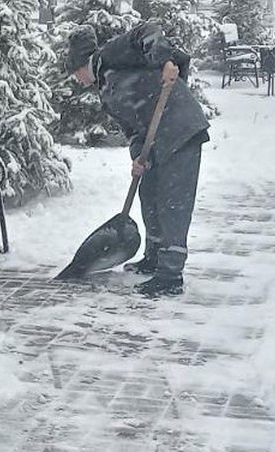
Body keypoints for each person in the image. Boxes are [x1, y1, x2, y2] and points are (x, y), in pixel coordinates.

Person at [67, 23, 210, 297]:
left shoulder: (111, 55)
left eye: (75, 72)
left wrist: (166, 60)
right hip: (157, 139)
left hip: (180, 128)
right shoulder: (106, 91)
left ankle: (170, 275)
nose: (77, 79)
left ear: (83, 64)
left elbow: (147, 32)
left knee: (173, 202)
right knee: (150, 194)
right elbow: (132, 129)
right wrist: (138, 158)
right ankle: (153, 257)